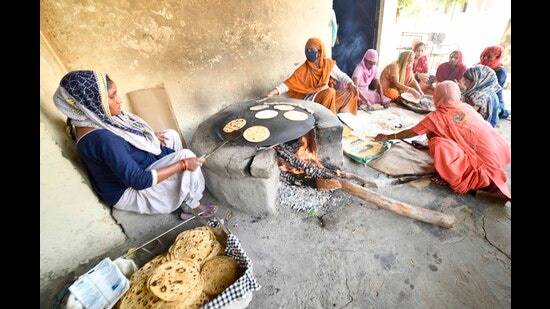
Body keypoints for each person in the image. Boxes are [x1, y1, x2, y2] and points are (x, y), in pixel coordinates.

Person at [53, 70, 218, 219]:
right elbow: (139, 180)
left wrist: (150, 138)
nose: (119, 101)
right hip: (128, 190)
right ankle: (192, 205)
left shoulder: (92, 120)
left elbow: (124, 138)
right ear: (90, 103)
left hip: (129, 172)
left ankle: (183, 190)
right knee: (186, 155)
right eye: (111, 97)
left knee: (170, 136)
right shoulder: (102, 139)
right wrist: (183, 164)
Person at [374, 81, 511, 202]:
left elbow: (411, 132)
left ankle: (452, 176)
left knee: (438, 143)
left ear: (436, 97)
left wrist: (387, 137)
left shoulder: (436, 116)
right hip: (498, 156)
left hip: (480, 172)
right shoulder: (466, 107)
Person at [265, 38, 359, 114]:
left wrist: (351, 84)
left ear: (319, 52)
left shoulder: (328, 64)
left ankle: (344, 117)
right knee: (330, 92)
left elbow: (341, 76)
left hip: (327, 99)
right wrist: (272, 93)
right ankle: (328, 121)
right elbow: (288, 84)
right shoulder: (304, 68)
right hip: (312, 100)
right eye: (307, 50)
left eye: (312, 50)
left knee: (351, 92)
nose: (309, 52)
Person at [479, 45, 510, 119]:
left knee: (492, 114)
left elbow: (493, 90)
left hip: (493, 99)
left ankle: (504, 112)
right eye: (483, 56)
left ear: (497, 57)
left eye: (489, 57)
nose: (485, 58)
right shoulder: (479, 66)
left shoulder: (500, 71)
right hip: (478, 96)